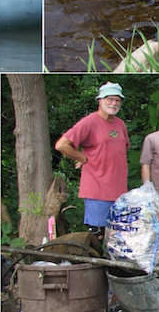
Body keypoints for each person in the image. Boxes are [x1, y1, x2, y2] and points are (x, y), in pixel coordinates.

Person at [55, 83, 131, 235]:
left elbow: (123, 148)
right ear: (100, 100)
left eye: (117, 100)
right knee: (97, 236)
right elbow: (62, 145)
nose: (114, 103)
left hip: (120, 191)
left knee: (119, 237)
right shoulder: (90, 121)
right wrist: (82, 157)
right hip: (97, 188)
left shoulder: (120, 124)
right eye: (110, 99)